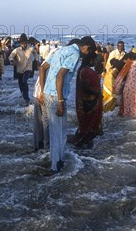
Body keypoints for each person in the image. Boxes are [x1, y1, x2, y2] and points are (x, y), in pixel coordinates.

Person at [38, 36, 96, 172]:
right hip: (56, 96)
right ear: (86, 47)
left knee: (54, 131)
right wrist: (60, 101)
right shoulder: (75, 54)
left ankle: (55, 161)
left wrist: (42, 91)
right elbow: (60, 76)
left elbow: (42, 68)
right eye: (90, 52)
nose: (87, 56)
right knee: (60, 132)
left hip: (47, 93)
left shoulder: (62, 50)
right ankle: (56, 166)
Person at [67, 51, 103, 148]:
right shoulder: (86, 71)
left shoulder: (84, 69)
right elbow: (85, 87)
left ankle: (84, 144)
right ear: (91, 59)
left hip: (86, 102)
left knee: (86, 126)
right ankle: (82, 145)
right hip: (88, 103)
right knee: (88, 126)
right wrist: (97, 93)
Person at [9, 33, 37, 106]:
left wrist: (36, 60)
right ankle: (24, 96)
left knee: (24, 80)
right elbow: (10, 57)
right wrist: (13, 61)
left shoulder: (30, 48)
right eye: (22, 43)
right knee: (21, 85)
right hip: (19, 69)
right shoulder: (17, 50)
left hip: (28, 68)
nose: (24, 45)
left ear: (26, 42)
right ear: (20, 43)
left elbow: (35, 53)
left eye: (25, 43)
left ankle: (27, 99)